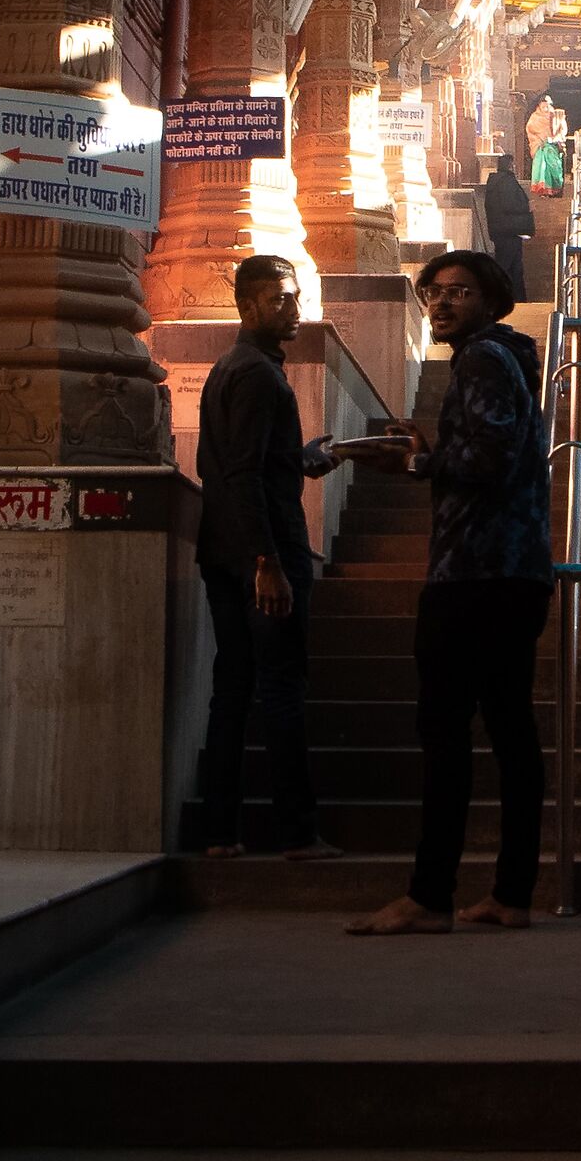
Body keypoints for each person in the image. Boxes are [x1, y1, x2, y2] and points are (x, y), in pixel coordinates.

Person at [348, 250, 553, 937]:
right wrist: (434, 451)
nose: (440, 304)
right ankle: (509, 893)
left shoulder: (482, 360)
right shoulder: (508, 358)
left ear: (492, 300)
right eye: (432, 292)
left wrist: (417, 461)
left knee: (444, 733)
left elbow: (487, 460)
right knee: (511, 734)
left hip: (475, 572)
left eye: (458, 292)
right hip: (514, 570)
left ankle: (430, 896)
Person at [196, 253, 404, 860]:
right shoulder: (259, 375)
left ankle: (219, 833)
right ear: (247, 305)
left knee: (232, 690)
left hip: (223, 549)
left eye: (295, 297)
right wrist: (268, 561)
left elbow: (256, 465)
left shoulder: (230, 369)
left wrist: (314, 456)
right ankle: (294, 833)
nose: (293, 308)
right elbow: (242, 475)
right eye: (280, 298)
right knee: (282, 689)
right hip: (263, 551)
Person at [484, 153, 535, 303]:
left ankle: (516, 298)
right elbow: (509, 204)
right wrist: (527, 206)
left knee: (514, 266)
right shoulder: (506, 181)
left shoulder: (495, 182)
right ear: (510, 165)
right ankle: (502, 297)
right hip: (510, 230)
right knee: (507, 265)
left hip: (502, 229)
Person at [526, 95, 563, 197]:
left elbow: (561, 129)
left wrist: (555, 137)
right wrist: (541, 139)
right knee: (542, 166)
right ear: (539, 106)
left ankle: (555, 189)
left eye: (548, 106)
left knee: (554, 167)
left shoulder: (556, 116)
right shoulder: (535, 117)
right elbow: (531, 130)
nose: (546, 108)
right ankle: (543, 190)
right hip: (539, 146)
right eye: (544, 106)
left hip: (553, 146)